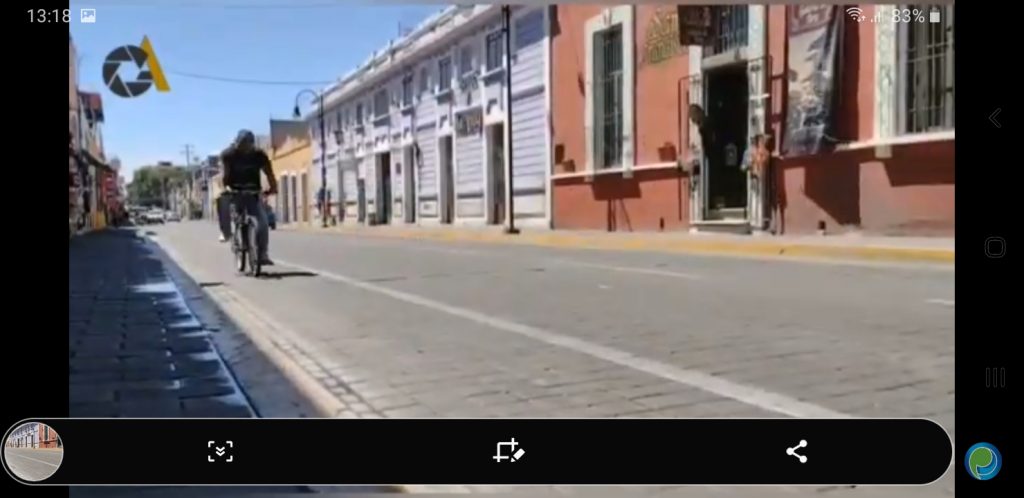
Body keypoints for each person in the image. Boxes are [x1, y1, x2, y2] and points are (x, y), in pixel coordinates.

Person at [220, 129, 278, 265]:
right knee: (223, 201)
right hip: (235, 190)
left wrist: (273, 187)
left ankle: (262, 254)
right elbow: (225, 176)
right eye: (242, 144)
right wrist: (227, 188)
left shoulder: (259, 155)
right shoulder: (229, 155)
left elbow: (269, 173)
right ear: (237, 143)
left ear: (252, 144)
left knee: (262, 222)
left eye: (248, 144)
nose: (245, 147)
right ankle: (226, 231)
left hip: (253, 192)